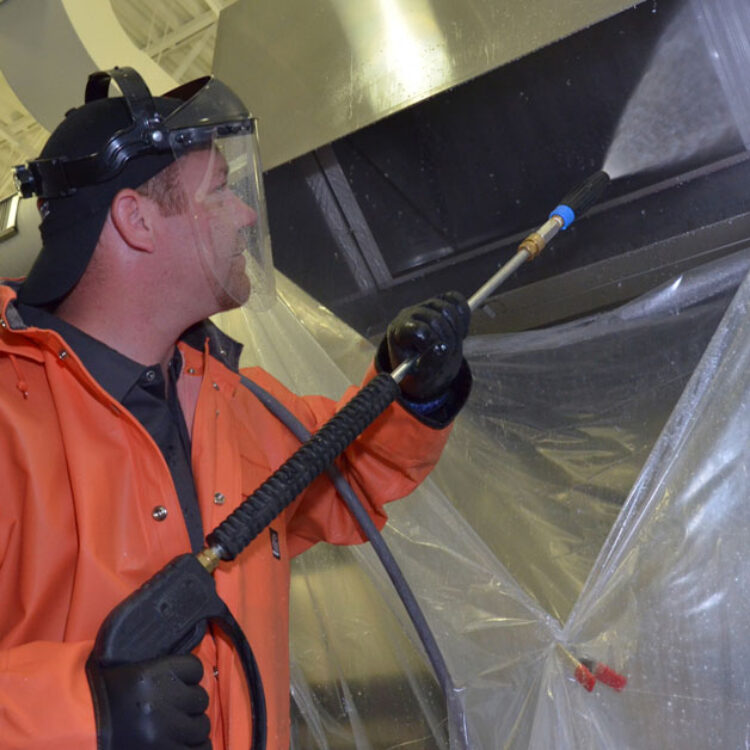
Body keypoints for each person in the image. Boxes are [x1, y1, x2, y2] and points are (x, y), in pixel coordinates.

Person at [0, 67, 472, 750]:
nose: (247, 214)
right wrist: (83, 713)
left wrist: (414, 390)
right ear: (136, 220)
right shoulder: (12, 421)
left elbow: (348, 472)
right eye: (220, 190)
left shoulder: (234, 404)